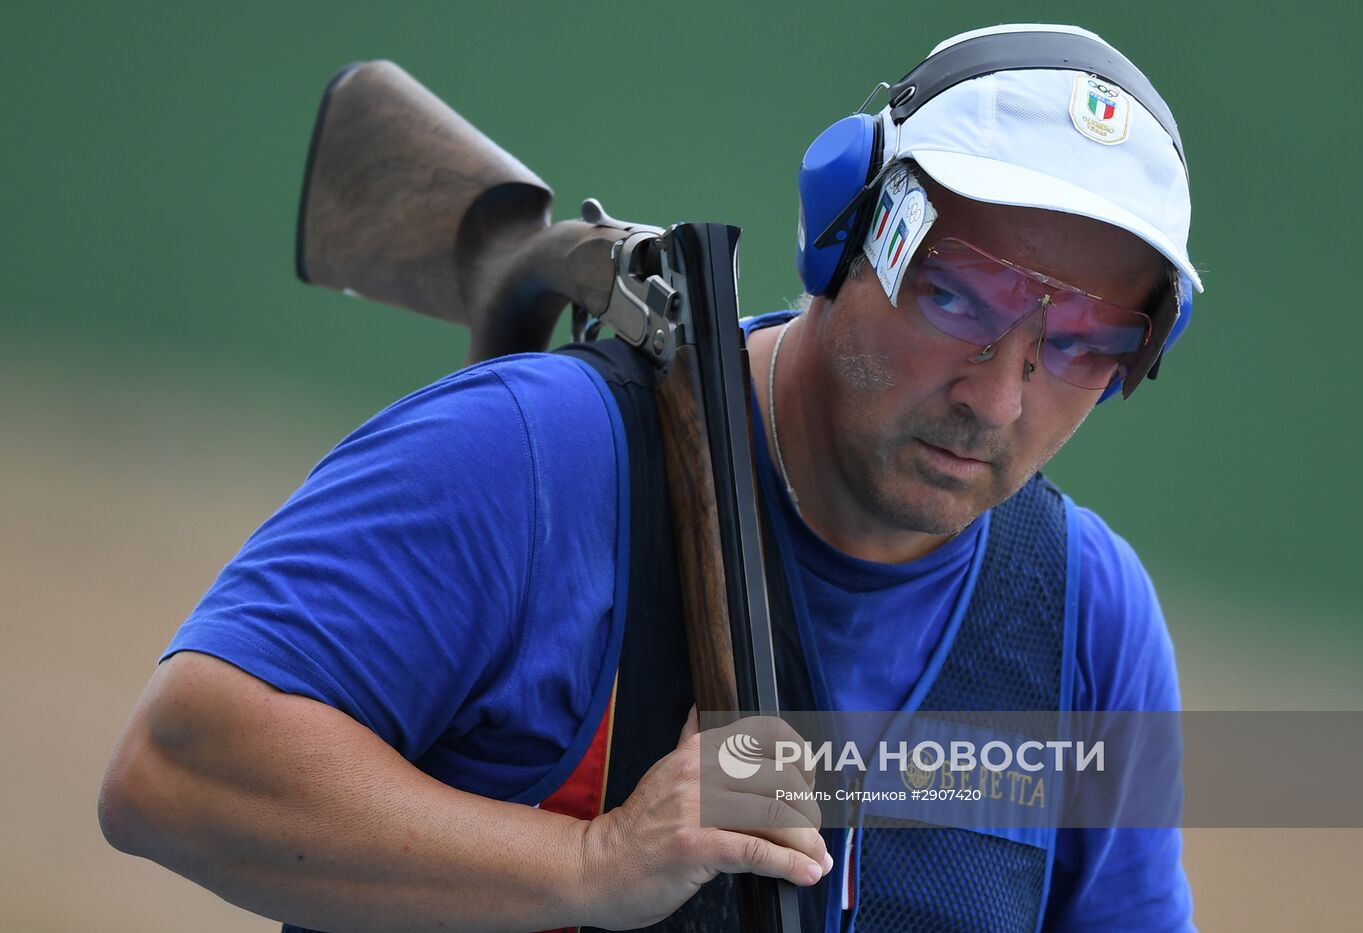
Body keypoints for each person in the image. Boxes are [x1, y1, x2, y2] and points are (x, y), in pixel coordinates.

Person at [100, 23, 1200, 933]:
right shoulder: (532, 454)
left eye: (1081, 346)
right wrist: (589, 864)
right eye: (958, 296)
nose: (998, 399)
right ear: (841, 231)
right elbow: (172, 771)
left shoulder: (1084, 617)